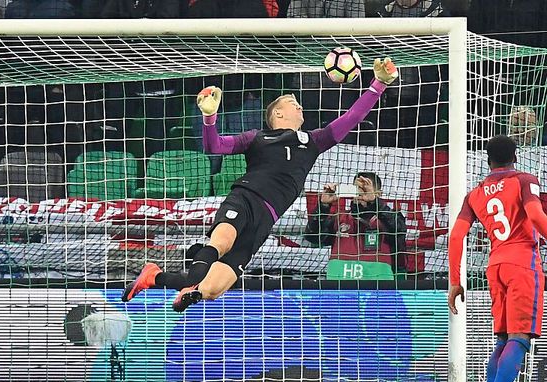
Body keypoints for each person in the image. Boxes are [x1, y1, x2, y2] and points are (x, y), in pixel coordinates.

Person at [123, 57, 399, 312]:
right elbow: (214, 145)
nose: (299, 105)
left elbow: (352, 118)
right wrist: (209, 118)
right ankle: (186, 279)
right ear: (278, 114)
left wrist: (378, 84)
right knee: (221, 243)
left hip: (267, 218)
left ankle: (155, 277)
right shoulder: (256, 137)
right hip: (245, 199)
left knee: (212, 289)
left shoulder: (313, 141)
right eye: (292, 102)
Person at [448, 135, 547, 382]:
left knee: (503, 340)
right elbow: (535, 215)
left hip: (495, 266)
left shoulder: (475, 194)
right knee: (520, 338)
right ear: (515, 157)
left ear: (488, 160)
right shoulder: (524, 179)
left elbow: (455, 237)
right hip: (523, 263)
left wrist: (455, 281)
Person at [305, 172, 407, 280]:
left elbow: (399, 231)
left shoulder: (389, 219)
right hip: (340, 290)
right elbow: (313, 237)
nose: (360, 194)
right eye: (357, 189)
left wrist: (374, 203)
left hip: (378, 292)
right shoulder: (340, 218)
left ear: (378, 194)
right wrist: (323, 206)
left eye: (365, 189)